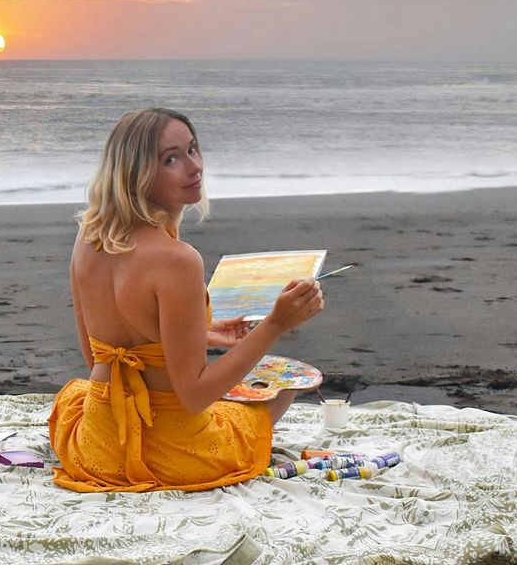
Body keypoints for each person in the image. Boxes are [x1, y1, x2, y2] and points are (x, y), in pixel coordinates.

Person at [49, 108, 325, 492]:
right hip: (173, 454)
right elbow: (194, 396)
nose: (193, 167)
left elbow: (98, 354)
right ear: (136, 173)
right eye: (171, 159)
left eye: (192, 150)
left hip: (99, 442)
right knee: (282, 387)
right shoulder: (177, 260)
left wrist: (205, 332)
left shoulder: (90, 236)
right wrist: (276, 323)